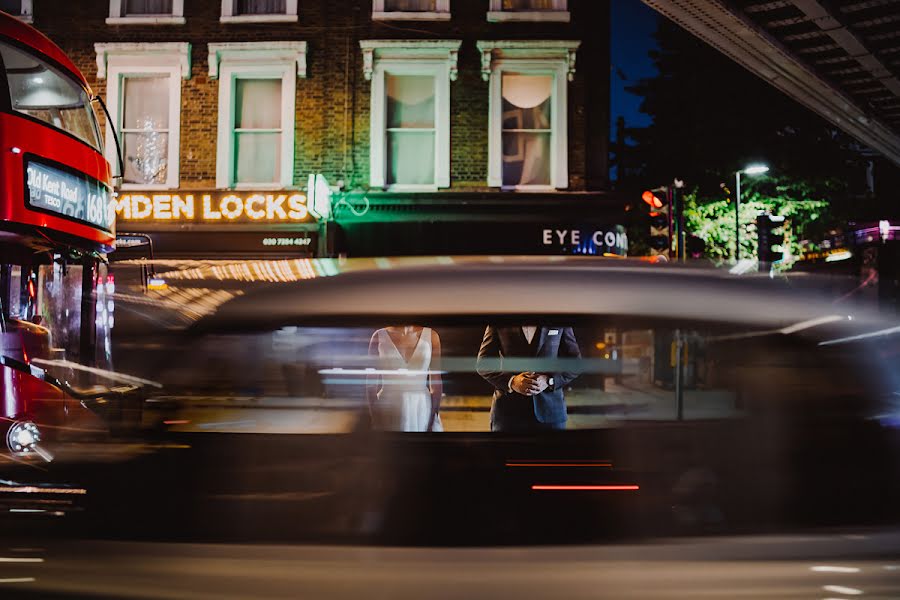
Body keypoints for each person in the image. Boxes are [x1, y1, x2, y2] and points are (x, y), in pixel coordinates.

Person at [476, 325, 581, 432]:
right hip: (507, 414)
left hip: (551, 413)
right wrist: (512, 382)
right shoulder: (499, 318)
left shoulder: (558, 318)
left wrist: (549, 380)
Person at [366, 326, 443, 432]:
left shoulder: (432, 336)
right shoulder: (378, 336)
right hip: (388, 407)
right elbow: (371, 382)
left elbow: (436, 381)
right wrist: (375, 416)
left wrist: (433, 418)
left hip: (421, 408)